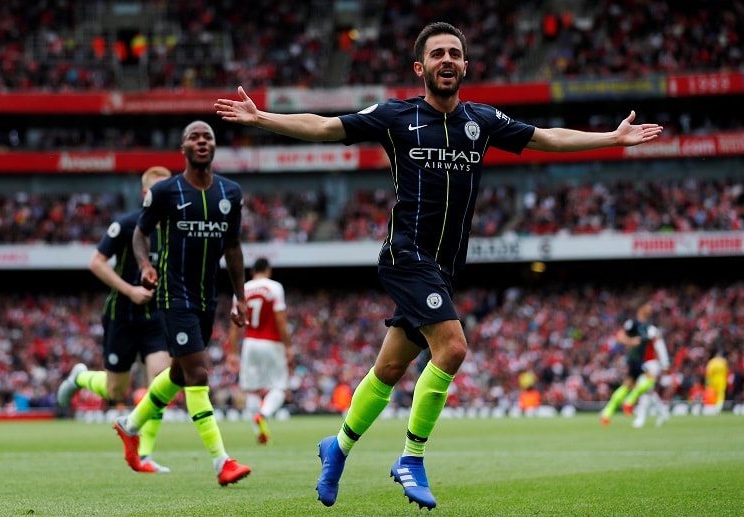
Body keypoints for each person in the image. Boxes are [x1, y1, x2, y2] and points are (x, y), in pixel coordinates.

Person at [214, 21, 663, 510]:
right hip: (406, 256)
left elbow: (546, 138)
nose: (446, 60)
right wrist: (262, 120)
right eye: (437, 54)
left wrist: (611, 139)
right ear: (420, 67)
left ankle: (337, 447)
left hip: (446, 267)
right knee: (451, 348)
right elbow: (326, 126)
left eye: (454, 53)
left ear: (465, 65)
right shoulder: (395, 116)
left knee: (388, 369)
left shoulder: (483, 120)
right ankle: (411, 457)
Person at [112, 120, 252, 487]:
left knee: (177, 373)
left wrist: (241, 296)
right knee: (198, 374)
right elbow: (141, 233)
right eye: (194, 137)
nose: (202, 141)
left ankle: (130, 426)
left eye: (207, 136)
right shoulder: (165, 191)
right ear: (184, 148)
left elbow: (234, 247)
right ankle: (222, 462)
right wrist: (144, 264)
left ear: (214, 146)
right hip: (174, 295)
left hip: (207, 296)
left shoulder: (230, 192)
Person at [57, 165, 172, 473]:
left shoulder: (177, 229)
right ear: (146, 194)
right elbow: (96, 263)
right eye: (159, 190)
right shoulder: (126, 225)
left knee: (160, 381)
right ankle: (80, 377)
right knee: (116, 391)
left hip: (156, 316)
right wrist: (131, 291)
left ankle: (144, 454)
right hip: (121, 313)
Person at [228, 256, 294, 445]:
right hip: (272, 342)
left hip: (249, 343)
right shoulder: (274, 287)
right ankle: (263, 414)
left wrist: (232, 352)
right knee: (280, 387)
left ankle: (259, 434)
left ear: (251, 272)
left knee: (252, 390)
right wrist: (288, 346)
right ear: (268, 270)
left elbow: (234, 326)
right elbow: (281, 319)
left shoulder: (241, 290)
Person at [600, 298, 658, 426]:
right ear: (641, 308)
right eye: (648, 306)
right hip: (635, 359)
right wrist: (631, 342)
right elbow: (620, 336)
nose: (650, 308)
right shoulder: (634, 323)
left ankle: (606, 413)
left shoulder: (647, 325)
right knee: (651, 379)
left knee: (627, 386)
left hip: (640, 359)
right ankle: (630, 401)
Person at [630, 324, 671, 428]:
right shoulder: (641, 333)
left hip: (652, 363)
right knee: (648, 391)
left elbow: (660, 348)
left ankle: (641, 418)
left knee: (643, 388)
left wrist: (665, 365)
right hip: (645, 364)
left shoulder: (652, 333)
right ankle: (663, 413)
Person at [705, 349, 728, 414]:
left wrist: (707, 384)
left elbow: (708, 374)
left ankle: (712, 408)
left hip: (713, 381)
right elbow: (726, 372)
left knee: (713, 395)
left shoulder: (711, 362)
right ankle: (718, 408)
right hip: (721, 381)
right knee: (720, 395)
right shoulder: (723, 362)